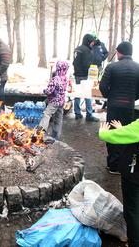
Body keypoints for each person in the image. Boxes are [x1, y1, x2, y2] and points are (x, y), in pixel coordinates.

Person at [99, 41, 139, 174]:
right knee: (125, 133)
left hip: (114, 106)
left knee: (111, 133)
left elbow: (103, 86)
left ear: (120, 52)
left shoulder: (111, 67)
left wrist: (110, 97)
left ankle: (113, 165)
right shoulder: (138, 68)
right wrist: (133, 98)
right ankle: (124, 164)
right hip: (129, 107)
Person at [99, 119, 139, 246]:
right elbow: (131, 133)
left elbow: (109, 136)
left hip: (134, 175)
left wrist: (103, 132)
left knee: (132, 209)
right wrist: (123, 130)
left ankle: (134, 242)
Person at [39, 61, 69, 140]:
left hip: (54, 101)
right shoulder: (65, 78)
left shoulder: (56, 78)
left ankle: (41, 131)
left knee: (47, 114)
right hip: (61, 101)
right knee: (58, 118)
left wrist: (44, 90)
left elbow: (49, 91)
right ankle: (56, 135)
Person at [73, 33, 99, 122]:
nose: (92, 44)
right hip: (85, 76)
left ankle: (77, 113)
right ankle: (89, 114)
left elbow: (74, 62)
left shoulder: (77, 49)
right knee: (88, 95)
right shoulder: (87, 50)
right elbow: (87, 64)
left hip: (77, 75)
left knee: (77, 94)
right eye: (91, 42)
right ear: (88, 41)